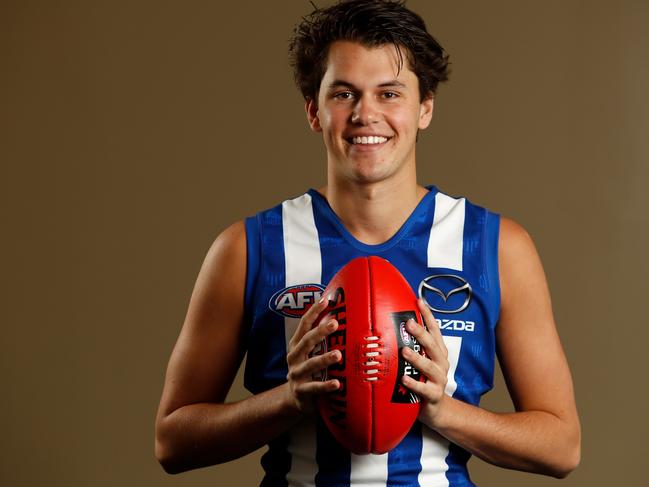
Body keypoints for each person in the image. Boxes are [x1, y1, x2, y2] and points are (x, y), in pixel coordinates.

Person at [154, 0, 581, 485]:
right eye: (344, 94)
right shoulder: (247, 249)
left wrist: (443, 411)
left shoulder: (497, 247)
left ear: (425, 108)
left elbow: (561, 446)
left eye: (390, 93)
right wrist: (289, 399)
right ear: (314, 111)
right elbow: (172, 441)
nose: (366, 114)